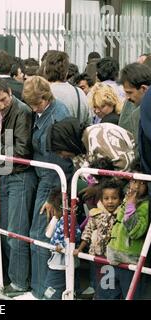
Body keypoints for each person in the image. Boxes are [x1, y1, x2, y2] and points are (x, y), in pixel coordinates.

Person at [0, 77, 35, 296]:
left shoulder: (21, 111)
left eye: (3, 100)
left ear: (10, 92)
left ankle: (20, 282)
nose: (1, 105)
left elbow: (22, 149)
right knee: (7, 231)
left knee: (15, 231)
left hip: (19, 175)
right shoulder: (4, 112)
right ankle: (16, 279)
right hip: (7, 174)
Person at [22, 76, 72, 299]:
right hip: (46, 176)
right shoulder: (44, 112)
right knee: (41, 233)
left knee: (41, 233)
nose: (34, 108)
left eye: (36, 103)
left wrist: (53, 196)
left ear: (45, 97)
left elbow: (61, 158)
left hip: (53, 178)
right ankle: (40, 288)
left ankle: (41, 290)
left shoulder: (58, 114)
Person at [105, 163, 149, 299]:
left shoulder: (145, 205)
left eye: (142, 183)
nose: (136, 186)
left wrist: (131, 205)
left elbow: (136, 231)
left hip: (129, 262)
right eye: (134, 181)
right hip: (113, 259)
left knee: (130, 296)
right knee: (107, 294)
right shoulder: (126, 198)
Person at [73, 179, 124, 299]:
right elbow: (87, 232)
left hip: (114, 258)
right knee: (100, 285)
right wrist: (79, 249)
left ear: (120, 200)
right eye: (106, 198)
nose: (110, 202)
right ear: (101, 200)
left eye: (114, 198)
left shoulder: (122, 215)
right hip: (98, 256)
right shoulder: (96, 214)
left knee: (111, 288)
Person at [48, 117, 135, 172]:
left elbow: (124, 166)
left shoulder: (99, 136)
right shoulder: (76, 152)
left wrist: (101, 188)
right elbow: (89, 178)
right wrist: (93, 187)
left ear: (67, 142)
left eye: (60, 152)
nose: (61, 156)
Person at [43, 189, 81, 300]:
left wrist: (62, 246)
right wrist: (55, 217)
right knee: (61, 290)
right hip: (57, 262)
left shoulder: (69, 220)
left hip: (62, 264)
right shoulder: (60, 219)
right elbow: (48, 234)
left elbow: (76, 235)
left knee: (52, 291)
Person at [42, 51, 91, 125]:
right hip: (76, 135)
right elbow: (88, 121)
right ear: (67, 72)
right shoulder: (80, 93)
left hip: (50, 135)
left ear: (45, 70)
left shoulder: (43, 94)